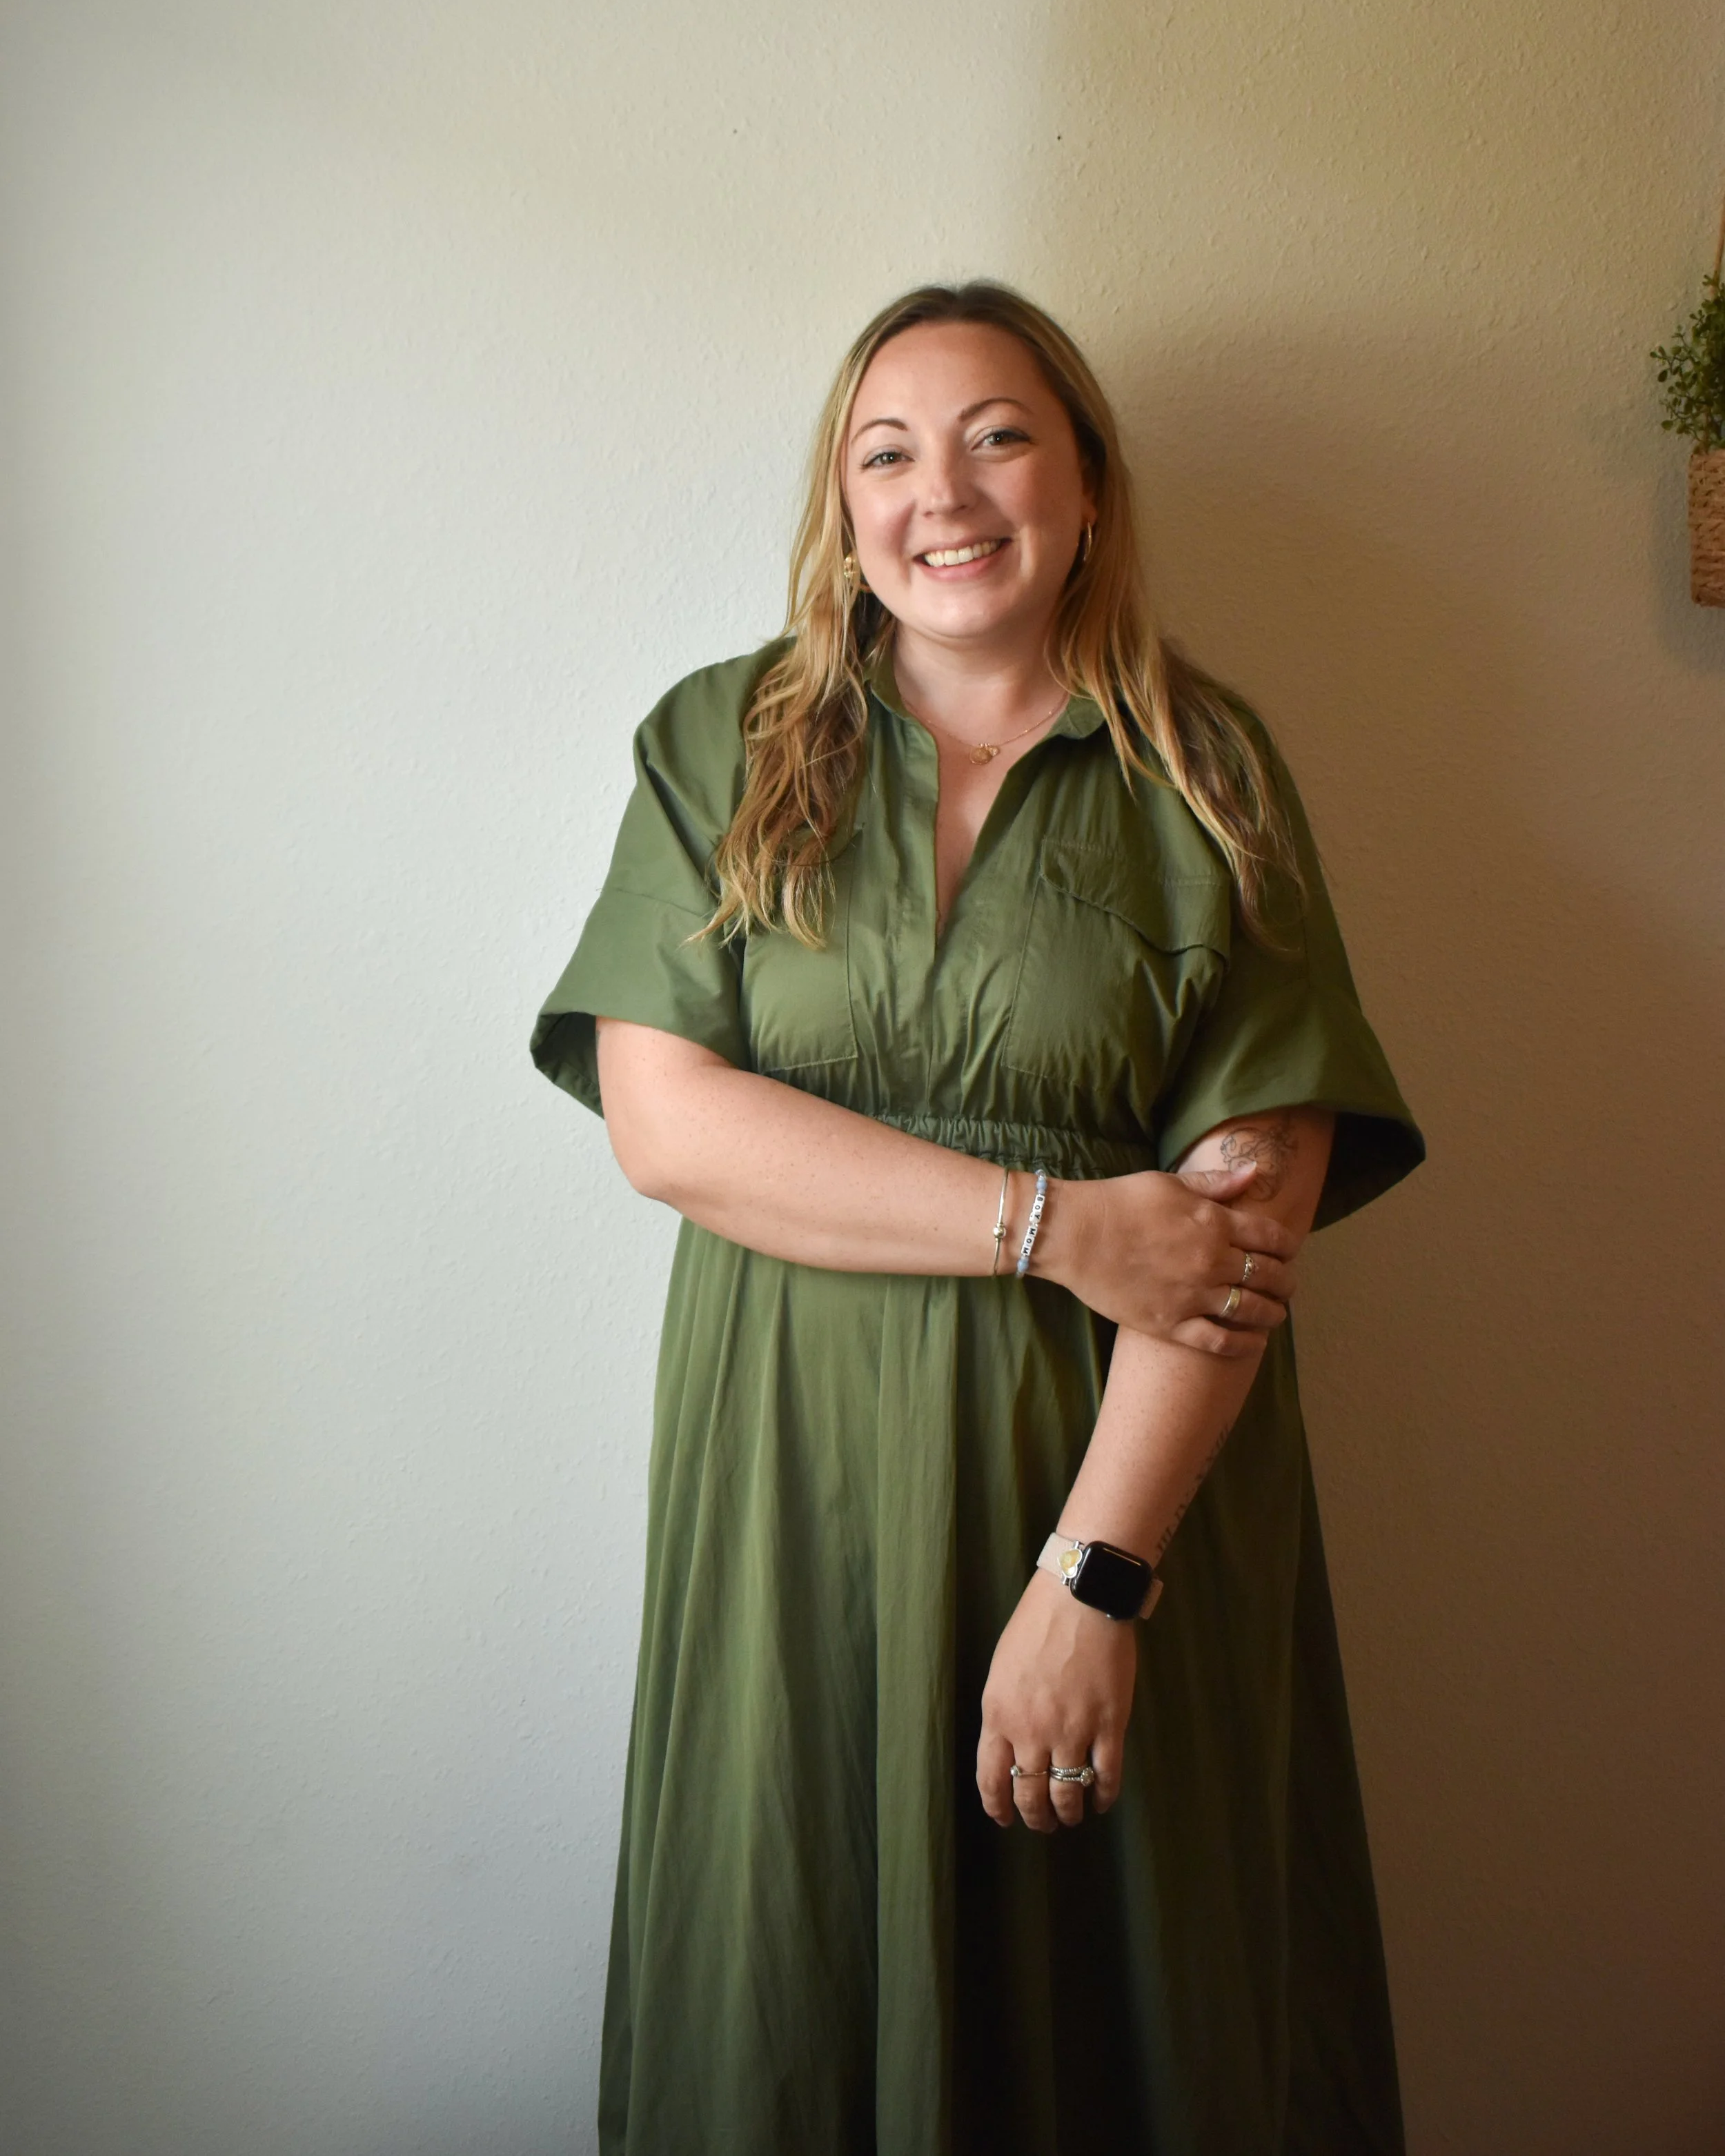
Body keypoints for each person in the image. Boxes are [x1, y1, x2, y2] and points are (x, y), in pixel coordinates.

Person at [531, 281, 1424, 2156]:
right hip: (792, 1512)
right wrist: (1059, 1223)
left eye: (998, 434)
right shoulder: (725, 746)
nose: (942, 490)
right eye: (887, 449)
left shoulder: (1210, 768)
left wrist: (1092, 1580)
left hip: (1121, 1512)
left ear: (1086, 486)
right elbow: (668, 1122)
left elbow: (1244, 1229)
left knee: (1120, 2016)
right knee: (786, 1984)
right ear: (840, 506)